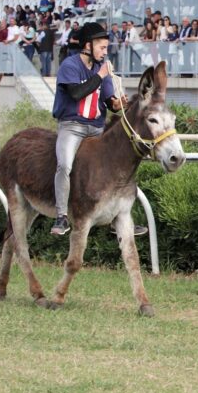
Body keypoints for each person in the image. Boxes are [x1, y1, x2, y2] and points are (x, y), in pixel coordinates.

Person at [50, 22, 144, 236]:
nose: (105, 51)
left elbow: (109, 101)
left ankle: (121, 218)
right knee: (64, 165)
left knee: (121, 164)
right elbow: (76, 93)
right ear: (87, 46)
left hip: (97, 127)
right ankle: (61, 216)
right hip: (72, 127)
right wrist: (100, 75)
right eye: (101, 47)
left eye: (106, 48)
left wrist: (118, 104)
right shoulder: (70, 65)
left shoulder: (104, 70)